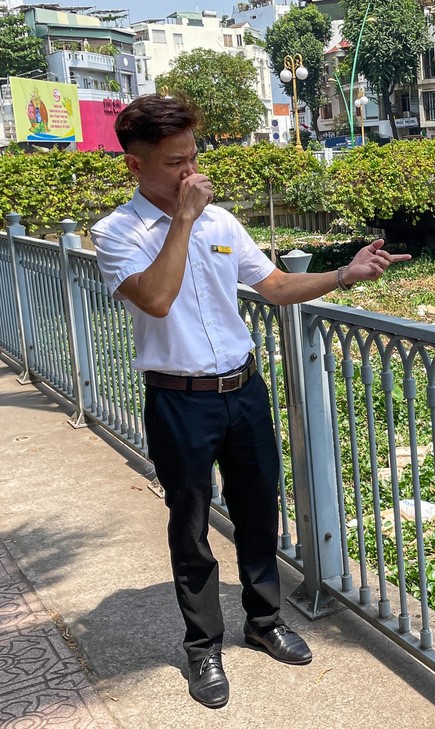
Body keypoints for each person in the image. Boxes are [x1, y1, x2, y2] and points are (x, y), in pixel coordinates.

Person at [90, 95, 411, 710]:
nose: (191, 173)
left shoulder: (222, 223)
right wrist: (182, 222)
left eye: (193, 157)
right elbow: (155, 299)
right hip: (179, 400)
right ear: (135, 164)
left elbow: (277, 286)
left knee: (260, 512)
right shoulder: (117, 233)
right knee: (190, 527)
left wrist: (343, 275)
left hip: (243, 390)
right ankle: (202, 647)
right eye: (175, 163)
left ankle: (264, 621)